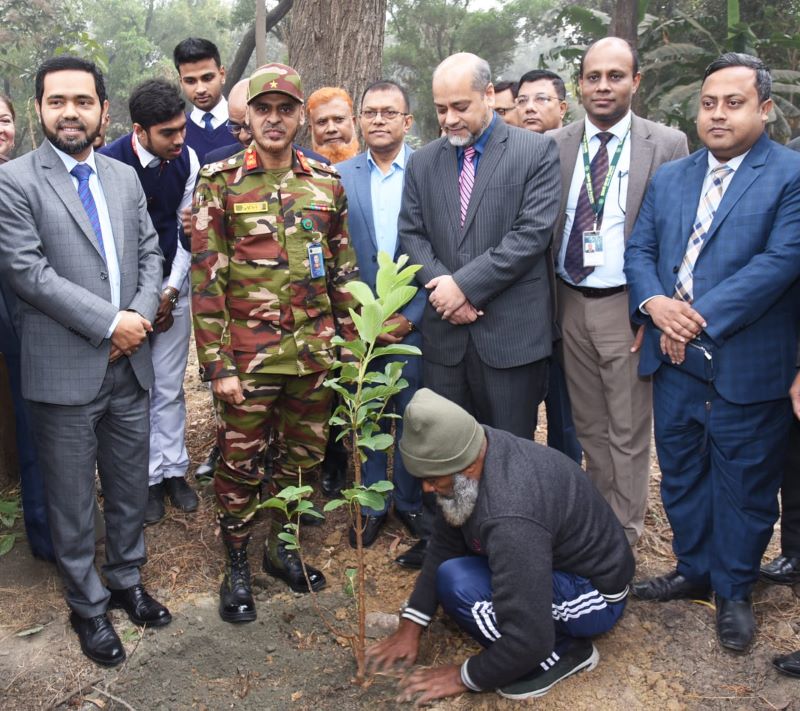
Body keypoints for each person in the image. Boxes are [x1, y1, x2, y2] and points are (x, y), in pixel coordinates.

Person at [625, 52, 800, 652]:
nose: (718, 115)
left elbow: (780, 262)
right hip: (674, 366)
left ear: (766, 109)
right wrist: (654, 305)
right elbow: (640, 251)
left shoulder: (790, 175)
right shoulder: (673, 175)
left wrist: (691, 319)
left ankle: (734, 589)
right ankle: (694, 568)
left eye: (734, 103)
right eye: (708, 104)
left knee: (746, 487)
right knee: (681, 475)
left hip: (747, 363)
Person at [0, 56, 169, 667]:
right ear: (38, 109)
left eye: (82, 100)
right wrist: (111, 323)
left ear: (104, 109)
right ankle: (88, 604)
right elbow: (27, 272)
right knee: (72, 501)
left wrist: (139, 318)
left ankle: (126, 580)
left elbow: (151, 253)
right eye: (56, 101)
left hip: (131, 366)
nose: (69, 111)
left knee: (128, 487)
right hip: (65, 369)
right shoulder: (14, 182)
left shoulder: (123, 177)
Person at [191, 63, 359, 622]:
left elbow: (341, 274)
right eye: (263, 108)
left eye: (285, 109)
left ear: (299, 116)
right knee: (239, 464)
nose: (274, 118)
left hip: (313, 357)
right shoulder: (220, 180)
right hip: (247, 358)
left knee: (303, 462)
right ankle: (236, 561)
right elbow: (206, 279)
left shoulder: (325, 181)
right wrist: (219, 367)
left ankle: (280, 549)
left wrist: (350, 351)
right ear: (249, 115)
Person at [366, 388, 634, 702]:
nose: (426, 487)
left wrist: (464, 676)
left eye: (432, 478)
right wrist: (412, 623)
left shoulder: (510, 515)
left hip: (594, 594)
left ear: (464, 467)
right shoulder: (475, 446)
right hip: (548, 560)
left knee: (460, 585)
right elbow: (445, 542)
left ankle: (564, 653)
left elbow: (529, 639)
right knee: (452, 571)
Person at [550, 37, 688, 545]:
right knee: (589, 427)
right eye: (593, 76)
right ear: (580, 83)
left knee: (628, 432)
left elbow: (675, 236)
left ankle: (623, 538)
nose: (603, 86)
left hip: (627, 309)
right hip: (568, 301)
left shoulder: (667, 144)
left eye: (615, 75)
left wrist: (649, 308)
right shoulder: (557, 145)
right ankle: (596, 524)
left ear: (636, 81)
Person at [398, 52, 560, 444]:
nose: (449, 119)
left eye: (460, 107)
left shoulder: (534, 152)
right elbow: (412, 233)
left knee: (508, 454)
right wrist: (445, 291)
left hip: (510, 339)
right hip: (445, 342)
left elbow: (530, 235)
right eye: (440, 109)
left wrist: (464, 286)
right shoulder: (422, 162)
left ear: (488, 94)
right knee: (447, 455)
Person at [336, 79, 430, 566]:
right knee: (369, 413)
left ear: (406, 121)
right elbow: (334, 252)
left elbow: (442, 252)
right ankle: (373, 502)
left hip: (414, 323)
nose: (377, 120)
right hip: (360, 327)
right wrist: (355, 320)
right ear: (359, 120)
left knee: (413, 416)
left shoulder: (431, 169)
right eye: (369, 112)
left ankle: (410, 503)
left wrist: (411, 319)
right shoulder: (338, 174)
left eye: (388, 112)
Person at [100, 79, 200, 524]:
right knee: (132, 390)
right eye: (168, 133)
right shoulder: (107, 164)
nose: (180, 139)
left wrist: (171, 290)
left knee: (168, 384)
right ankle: (144, 479)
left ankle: (173, 469)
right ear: (140, 131)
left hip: (172, 289)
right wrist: (141, 303)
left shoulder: (189, 160)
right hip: (124, 301)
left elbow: (186, 234)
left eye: (182, 129)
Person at [510, 69, 582, 465]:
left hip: (569, 310)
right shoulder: (508, 156)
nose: (530, 108)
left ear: (563, 107)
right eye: (523, 101)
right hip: (519, 314)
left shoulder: (578, 157)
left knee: (566, 420)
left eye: (541, 99)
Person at [0, 94, 55, 562]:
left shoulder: (26, 178)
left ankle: (45, 533)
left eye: (3, 119)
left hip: (24, 322)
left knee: (35, 423)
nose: (0, 129)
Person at [173, 37, 238, 165]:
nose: (200, 89)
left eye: (207, 78)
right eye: (190, 81)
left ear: (222, 74)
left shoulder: (248, 127)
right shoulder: (175, 134)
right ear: (181, 82)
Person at [306, 87, 359, 163]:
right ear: (311, 129)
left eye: (339, 119)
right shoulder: (298, 173)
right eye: (322, 122)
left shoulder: (374, 170)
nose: (331, 129)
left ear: (353, 123)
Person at [516, 69, 568, 134]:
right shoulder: (508, 143)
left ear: (562, 109)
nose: (529, 107)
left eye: (541, 99)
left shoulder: (578, 142)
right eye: (522, 101)